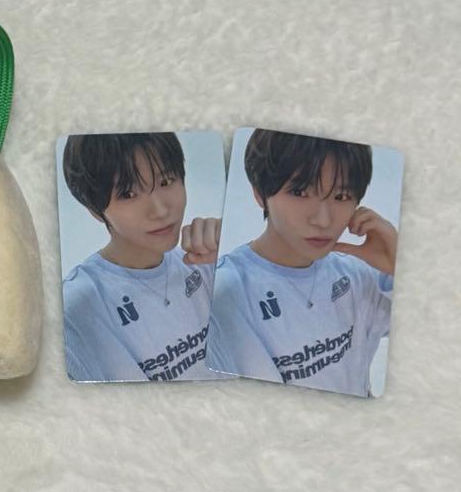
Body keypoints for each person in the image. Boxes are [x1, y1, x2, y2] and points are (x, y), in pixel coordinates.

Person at [205, 130, 396, 396]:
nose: (323, 220)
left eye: (340, 197)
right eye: (300, 192)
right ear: (260, 193)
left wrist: (398, 265)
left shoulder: (360, 275)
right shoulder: (224, 293)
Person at [61, 133, 221, 382]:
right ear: (95, 210)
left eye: (166, 181)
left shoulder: (207, 263)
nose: (160, 210)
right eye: (128, 194)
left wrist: (241, 259)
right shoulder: (76, 310)